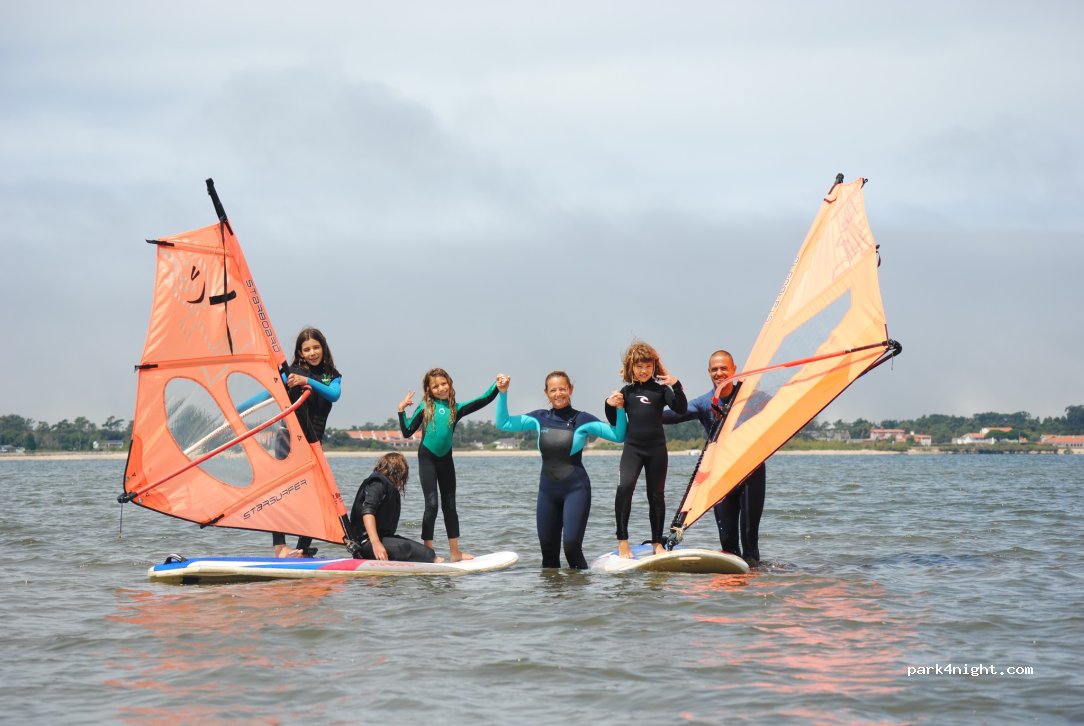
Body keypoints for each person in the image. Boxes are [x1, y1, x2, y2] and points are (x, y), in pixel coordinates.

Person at [495, 372, 627, 569]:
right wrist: (503, 393)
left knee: (572, 546)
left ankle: (579, 598)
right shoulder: (539, 418)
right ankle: (552, 599)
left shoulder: (582, 419)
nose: (558, 394)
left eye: (562, 389)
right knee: (548, 553)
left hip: (576, 489)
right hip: (547, 492)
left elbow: (618, 436)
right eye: (553, 390)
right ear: (547, 393)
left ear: (570, 389)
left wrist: (619, 409)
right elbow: (503, 423)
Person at [663, 349, 766, 567]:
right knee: (727, 540)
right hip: (721, 475)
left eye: (723, 368)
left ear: (734, 369)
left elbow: (783, 406)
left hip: (751, 472)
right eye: (715, 369)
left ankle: (754, 582)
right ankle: (732, 593)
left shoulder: (753, 398)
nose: (719, 373)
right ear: (709, 372)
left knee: (749, 535)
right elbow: (673, 415)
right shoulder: (704, 403)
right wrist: (641, 408)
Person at [398, 368, 499, 562]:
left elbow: (483, 399)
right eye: (435, 386)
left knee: (450, 505)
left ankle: (455, 552)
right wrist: (401, 410)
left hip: (446, 460)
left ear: (450, 384)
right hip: (427, 459)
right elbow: (407, 432)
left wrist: (497, 386)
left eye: (444, 384)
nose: (441, 388)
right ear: (429, 389)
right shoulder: (425, 407)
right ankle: (428, 554)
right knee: (432, 505)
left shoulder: (456, 408)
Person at [603, 341, 687, 558]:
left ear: (654, 367)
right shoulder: (627, 392)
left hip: (657, 449)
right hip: (633, 449)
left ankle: (657, 543)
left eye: (648, 366)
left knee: (656, 495)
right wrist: (608, 404)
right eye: (639, 366)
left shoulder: (661, 390)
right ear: (631, 367)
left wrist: (676, 384)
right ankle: (623, 541)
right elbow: (613, 420)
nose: (643, 371)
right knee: (624, 489)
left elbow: (681, 408)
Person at [272, 327, 343, 558]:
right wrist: (236, 412)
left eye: (316, 347)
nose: (312, 352)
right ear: (300, 352)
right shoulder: (291, 372)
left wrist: (306, 380)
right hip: (287, 437)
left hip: (314, 442)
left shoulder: (332, 375)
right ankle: (280, 548)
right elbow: (269, 392)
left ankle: (302, 549)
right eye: (307, 349)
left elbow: (334, 395)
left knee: (318, 495)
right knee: (282, 491)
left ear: (323, 347)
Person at [349, 452, 439, 563]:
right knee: (420, 552)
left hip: (380, 539)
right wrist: (376, 543)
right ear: (398, 472)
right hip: (366, 543)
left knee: (428, 552)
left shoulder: (386, 485)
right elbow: (367, 512)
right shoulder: (378, 483)